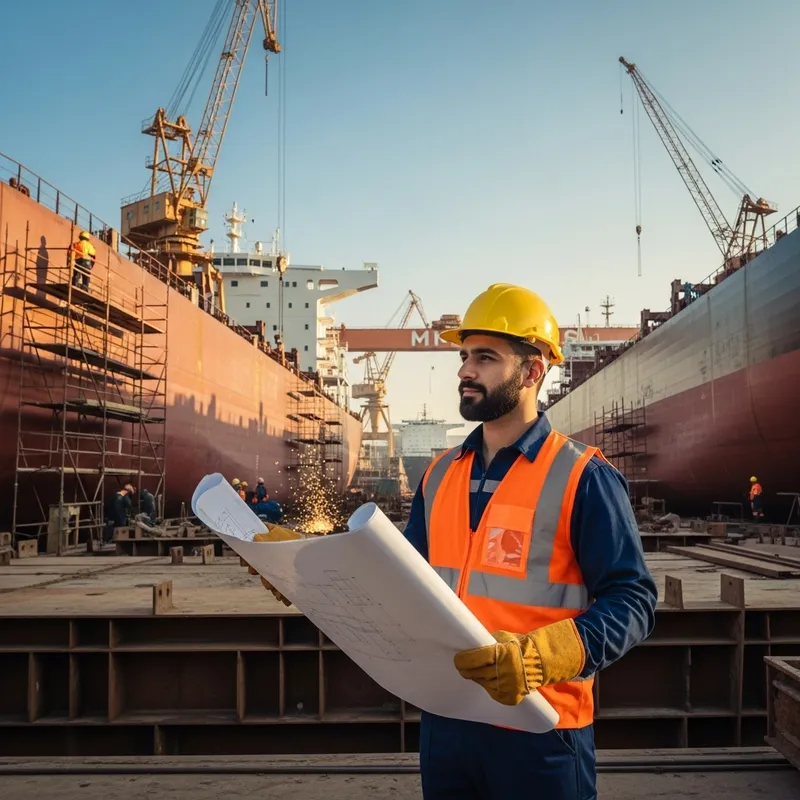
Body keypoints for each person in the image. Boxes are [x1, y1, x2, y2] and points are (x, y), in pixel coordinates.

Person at [403, 283, 657, 799]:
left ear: (533, 371)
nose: (465, 371)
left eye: (485, 358)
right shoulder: (438, 475)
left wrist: (544, 656)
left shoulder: (583, 476)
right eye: (464, 355)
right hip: (447, 723)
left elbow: (634, 600)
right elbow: (399, 577)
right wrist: (300, 566)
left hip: (541, 727)